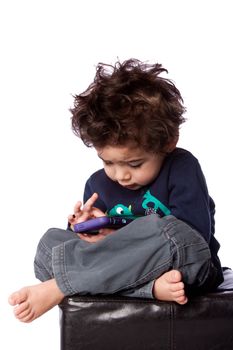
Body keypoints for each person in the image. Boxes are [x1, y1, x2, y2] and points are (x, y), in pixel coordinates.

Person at [8, 58, 223, 323]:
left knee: (167, 230)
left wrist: (119, 239)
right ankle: (148, 291)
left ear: (168, 142)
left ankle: (61, 286)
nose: (121, 175)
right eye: (108, 162)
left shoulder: (182, 166)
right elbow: (83, 252)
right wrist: (83, 227)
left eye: (135, 163)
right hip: (130, 272)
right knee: (48, 247)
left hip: (185, 263)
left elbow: (192, 237)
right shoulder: (97, 183)